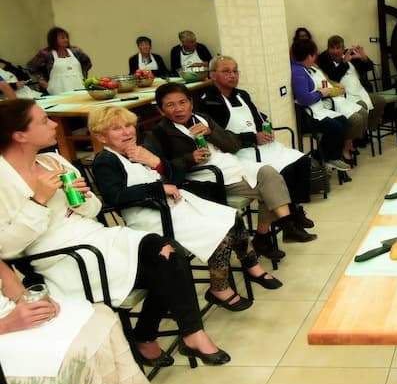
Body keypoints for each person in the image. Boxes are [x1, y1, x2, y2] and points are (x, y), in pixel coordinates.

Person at [0, 98, 230, 367]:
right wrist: (39, 202)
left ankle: (188, 335)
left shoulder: (52, 160)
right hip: (62, 257)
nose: (54, 124)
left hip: (95, 234)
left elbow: (94, 209)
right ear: (20, 135)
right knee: (162, 265)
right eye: (44, 121)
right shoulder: (3, 179)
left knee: (167, 251)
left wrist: (82, 198)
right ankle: (154, 336)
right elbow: (6, 248)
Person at [90, 105, 282, 310]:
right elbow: (115, 197)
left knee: (231, 217)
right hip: (150, 217)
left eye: (128, 125)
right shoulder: (106, 161)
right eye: (116, 128)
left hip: (175, 206)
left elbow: (178, 177)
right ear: (101, 137)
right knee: (218, 232)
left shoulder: (141, 150)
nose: (127, 132)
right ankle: (219, 288)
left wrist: (156, 162)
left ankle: (252, 266)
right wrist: (159, 188)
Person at [0, 259, 181, 384]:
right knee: (65, 358)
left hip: (10, 312)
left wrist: (27, 301)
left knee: (99, 319)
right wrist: (7, 324)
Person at [148, 83, 317, 259]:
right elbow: (161, 170)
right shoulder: (159, 133)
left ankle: (278, 230)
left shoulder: (202, 118)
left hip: (231, 166)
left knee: (269, 173)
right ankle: (271, 234)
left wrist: (211, 133)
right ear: (161, 110)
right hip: (207, 179)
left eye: (182, 102)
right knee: (269, 187)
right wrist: (189, 159)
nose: (178, 109)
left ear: (190, 102)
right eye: (170, 105)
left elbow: (234, 145)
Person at [198, 55, 316, 217]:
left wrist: (266, 129)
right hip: (239, 151)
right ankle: (288, 216)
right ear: (212, 75)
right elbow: (222, 137)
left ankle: (295, 210)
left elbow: (258, 118)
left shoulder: (242, 95)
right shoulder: (208, 102)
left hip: (260, 145)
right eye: (226, 71)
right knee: (285, 171)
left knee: (302, 161)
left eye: (235, 71)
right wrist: (253, 137)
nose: (232, 75)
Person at [291, 39, 359, 172]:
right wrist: (321, 93)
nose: (315, 59)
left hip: (317, 108)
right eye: (314, 55)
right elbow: (304, 99)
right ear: (309, 56)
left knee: (343, 120)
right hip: (308, 116)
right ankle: (329, 157)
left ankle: (324, 156)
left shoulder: (306, 68)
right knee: (336, 127)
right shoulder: (298, 72)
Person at [316, 36, 386, 136]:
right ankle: (359, 136)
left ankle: (367, 130)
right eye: (332, 48)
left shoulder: (350, 54)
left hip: (360, 91)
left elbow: (368, 67)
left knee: (380, 101)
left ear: (343, 48)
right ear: (328, 49)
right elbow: (334, 77)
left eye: (338, 48)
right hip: (343, 95)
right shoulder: (324, 59)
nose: (335, 51)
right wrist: (344, 62)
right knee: (362, 106)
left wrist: (364, 58)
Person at [26, 27, 92, 94]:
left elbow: (87, 64)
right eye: (62, 38)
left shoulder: (76, 51)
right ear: (54, 40)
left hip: (79, 87)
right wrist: (41, 79)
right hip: (57, 90)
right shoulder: (46, 53)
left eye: (66, 37)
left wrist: (83, 76)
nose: (66, 40)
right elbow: (31, 66)